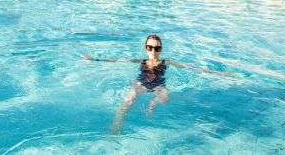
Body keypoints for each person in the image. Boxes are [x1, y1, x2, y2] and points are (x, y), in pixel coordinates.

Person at [84, 34, 217, 134]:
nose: (153, 51)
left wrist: (216, 73)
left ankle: (153, 104)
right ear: (146, 48)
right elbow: (117, 60)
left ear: (161, 49)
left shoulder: (167, 62)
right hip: (141, 84)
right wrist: (95, 59)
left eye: (157, 48)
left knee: (165, 98)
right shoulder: (141, 61)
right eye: (150, 47)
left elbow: (191, 67)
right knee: (127, 102)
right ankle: (116, 127)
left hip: (159, 86)